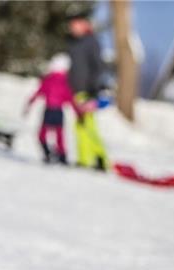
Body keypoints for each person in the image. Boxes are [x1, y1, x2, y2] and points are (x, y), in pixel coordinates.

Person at [66, 12, 108, 171]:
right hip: (77, 90)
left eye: (76, 24)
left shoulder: (91, 42)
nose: (72, 27)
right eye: (71, 25)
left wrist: (94, 90)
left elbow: (98, 67)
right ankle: (84, 159)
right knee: (79, 126)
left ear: (85, 24)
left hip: (88, 90)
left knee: (88, 125)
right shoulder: (74, 43)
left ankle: (100, 158)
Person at [24, 53, 82, 164]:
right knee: (59, 134)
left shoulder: (48, 80)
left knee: (42, 133)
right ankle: (62, 156)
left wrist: (30, 104)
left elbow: (39, 92)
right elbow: (70, 99)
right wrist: (78, 112)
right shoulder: (65, 83)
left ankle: (47, 153)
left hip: (49, 110)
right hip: (58, 112)